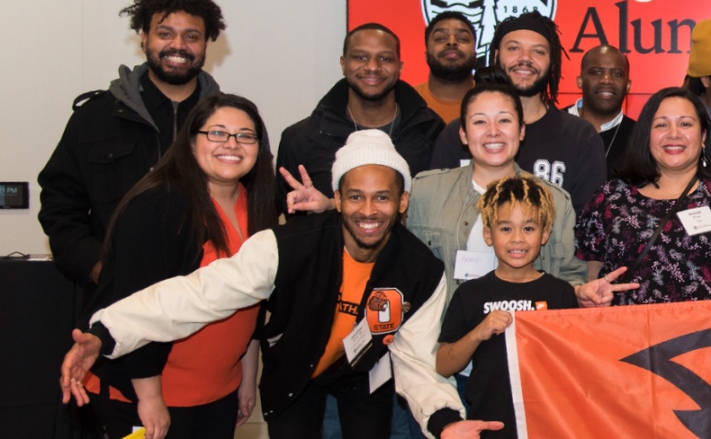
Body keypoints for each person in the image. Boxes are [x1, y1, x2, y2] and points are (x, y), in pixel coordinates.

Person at [60, 130, 501, 438]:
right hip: (295, 374)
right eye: (355, 196)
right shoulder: (286, 246)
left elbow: (418, 361)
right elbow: (199, 294)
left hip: (364, 374)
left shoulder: (420, 270)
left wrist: (445, 421)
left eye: (383, 196)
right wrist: (106, 332)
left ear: (402, 201)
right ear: (337, 199)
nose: (369, 210)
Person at [81, 95, 277, 439]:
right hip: (150, 394)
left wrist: (248, 379)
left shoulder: (258, 206)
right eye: (217, 133)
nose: (232, 144)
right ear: (190, 141)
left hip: (219, 391)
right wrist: (151, 398)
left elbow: (252, 306)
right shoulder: (159, 206)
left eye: (246, 135)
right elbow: (136, 307)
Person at [40, 0, 225, 288]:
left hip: (210, 295)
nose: (178, 45)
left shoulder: (231, 123)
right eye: (165, 33)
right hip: (117, 296)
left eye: (191, 36)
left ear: (207, 42)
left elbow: (257, 205)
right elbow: (60, 206)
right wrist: (95, 264)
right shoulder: (95, 118)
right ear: (143, 37)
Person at [436, 176, 620, 439]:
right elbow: (443, 365)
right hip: (491, 424)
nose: (518, 239)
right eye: (506, 229)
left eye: (529, 229)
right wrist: (479, 332)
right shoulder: (470, 294)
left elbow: (579, 364)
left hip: (550, 423)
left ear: (545, 233)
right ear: (488, 234)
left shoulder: (560, 293)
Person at [574, 87, 711, 305]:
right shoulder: (610, 199)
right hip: (627, 336)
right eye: (661, 125)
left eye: (685, 124)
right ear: (646, 135)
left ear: (703, 136)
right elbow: (586, 280)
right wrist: (586, 298)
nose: (673, 134)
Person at [404, 83, 584, 287]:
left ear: (522, 130)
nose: (493, 131)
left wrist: (581, 293)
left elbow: (570, 276)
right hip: (447, 318)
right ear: (463, 134)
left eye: (504, 120)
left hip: (527, 318)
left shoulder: (554, 200)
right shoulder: (424, 192)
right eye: (480, 121)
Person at [428, 12, 608, 206]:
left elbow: (589, 226)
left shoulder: (580, 137)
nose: (525, 59)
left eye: (538, 51)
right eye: (513, 48)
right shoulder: (458, 134)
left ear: (552, 63)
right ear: (496, 55)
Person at [276, 23, 446, 200]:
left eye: (385, 58)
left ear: (400, 67)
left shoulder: (433, 131)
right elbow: (293, 217)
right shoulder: (300, 139)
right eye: (361, 57)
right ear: (343, 63)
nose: (373, 67)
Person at [568, 44, 634, 175]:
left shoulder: (640, 137)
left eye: (617, 74)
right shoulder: (551, 125)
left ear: (628, 86)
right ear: (580, 81)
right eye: (596, 72)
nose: (607, 80)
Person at [417, 11, 479, 123]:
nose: (451, 42)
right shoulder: (405, 102)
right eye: (440, 38)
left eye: (463, 38)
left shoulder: (498, 101)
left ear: (475, 55)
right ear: (426, 55)